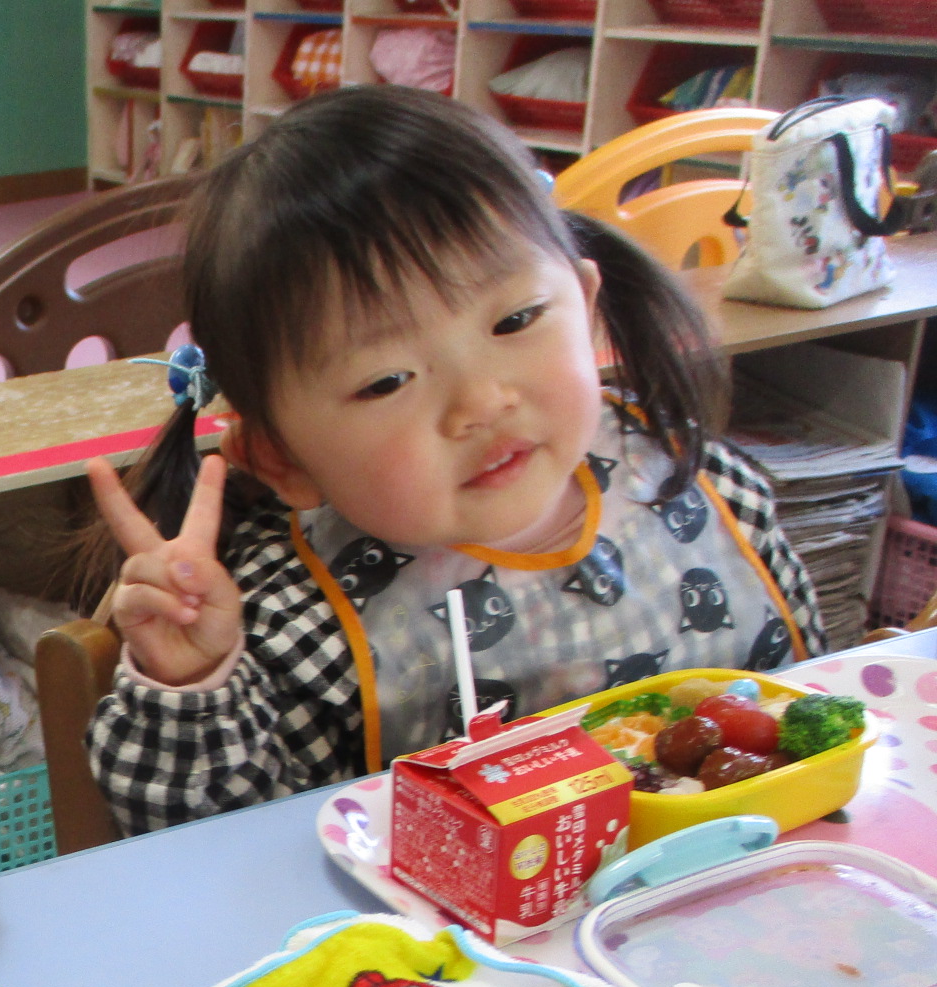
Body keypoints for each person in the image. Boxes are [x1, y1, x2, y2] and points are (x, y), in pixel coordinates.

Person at [83, 88, 824, 834]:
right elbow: (221, 851)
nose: (481, 402)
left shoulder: (701, 485)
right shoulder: (302, 622)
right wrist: (194, 681)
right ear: (283, 460)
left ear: (587, 304)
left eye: (515, 319)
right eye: (386, 381)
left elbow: (806, 715)